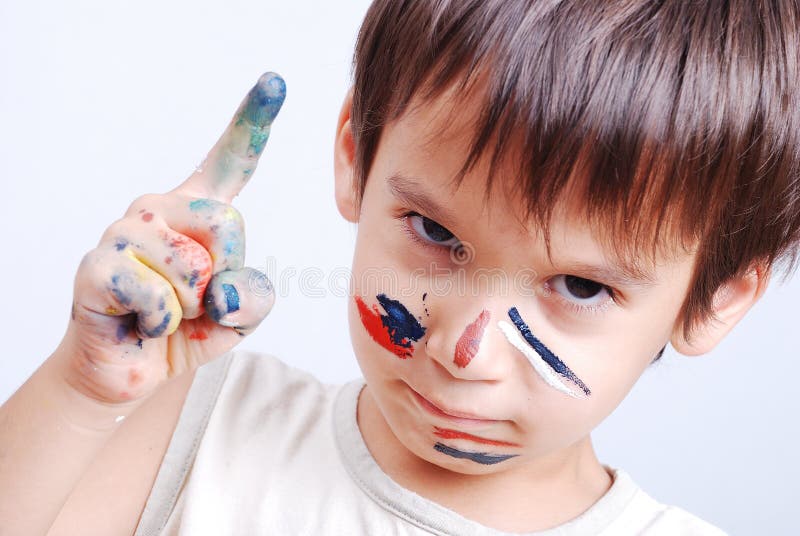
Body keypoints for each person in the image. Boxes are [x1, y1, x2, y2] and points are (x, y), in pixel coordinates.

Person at [2, 0, 798, 534]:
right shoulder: (195, 425)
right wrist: (84, 391)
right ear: (356, 153)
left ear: (715, 298)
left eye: (582, 287)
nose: (466, 351)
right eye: (433, 231)